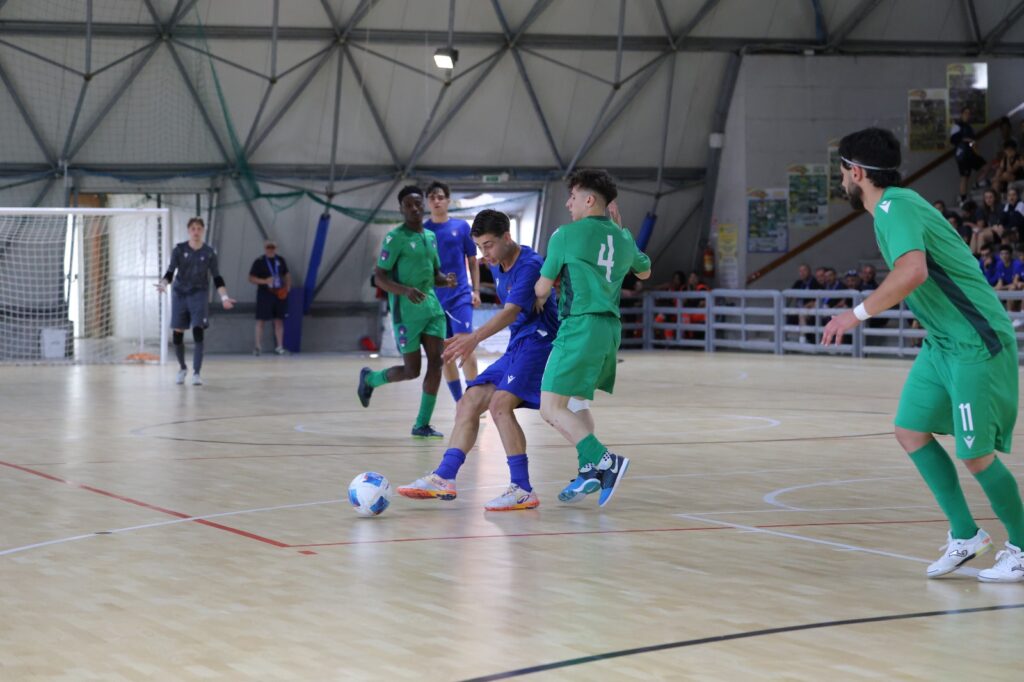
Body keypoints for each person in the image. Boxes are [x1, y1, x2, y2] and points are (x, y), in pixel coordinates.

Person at [823, 127, 1024, 582]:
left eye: (843, 172)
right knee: (910, 430)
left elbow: (912, 271)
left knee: (976, 454)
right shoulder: (891, 210)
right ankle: (965, 535)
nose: (842, 180)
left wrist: (855, 314)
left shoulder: (896, 207)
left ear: (857, 173)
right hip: (942, 342)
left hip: (974, 340)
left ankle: (1022, 546)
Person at [396, 209, 560, 510]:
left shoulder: (529, 264)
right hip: (518, 346)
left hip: (540, 344)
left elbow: (511, 312)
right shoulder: (497, 264)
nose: (485, 254)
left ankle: (523, 488)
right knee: (468, 402)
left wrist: (473, 338)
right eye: (480, 247)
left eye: (489, 245)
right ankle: (444, 477)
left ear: (507, 237)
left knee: (499, 405)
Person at [534, 169, 651, 507]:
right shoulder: (622, 236)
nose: (568, 203)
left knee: (549, 407)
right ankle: (589, 469)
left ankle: (605, 460)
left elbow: (541, 288)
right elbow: (644, 271)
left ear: (588, 200)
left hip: (579, 326)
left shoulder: (564, 235)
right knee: (576, 401)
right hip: (609, 330)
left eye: (572, 197)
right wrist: (620, 233)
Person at [357, 185, 456, 439]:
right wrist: (404, 291)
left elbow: (434, 274)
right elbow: (379, 278)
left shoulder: (430, 237)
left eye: (417, 203)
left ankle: (422, 424)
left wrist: (446, 280)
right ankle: (370, 379)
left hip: (432, 310)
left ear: (423, 205)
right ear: (401, 209)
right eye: (408, 205)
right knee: (412, 371)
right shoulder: (395, 238)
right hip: (407, 313)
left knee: (436, 363)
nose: (414, 208)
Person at [155, 217, 235, 386]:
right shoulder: (179, 250)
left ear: (203, 231)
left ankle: (197, 373)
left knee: (198, 329)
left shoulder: (209, 253)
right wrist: (163, 284)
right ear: (188, 231)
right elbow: (170, 272)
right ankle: (182, 368)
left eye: (199, 228)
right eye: (193, 229)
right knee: (178, 333)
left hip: (199, 294)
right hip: (179, 294)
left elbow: (217, 277)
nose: (196, 232)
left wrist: (224, 297)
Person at [423, 181, 481, 402]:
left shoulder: (462, 227)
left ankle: (473, 398)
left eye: (440, 197)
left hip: (460, 297)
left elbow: (473, 261)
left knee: (465, 345)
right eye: (432, 197)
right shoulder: (423, 231)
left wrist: (476, 290)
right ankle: (460, 402)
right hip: (434, 301)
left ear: (448, 200)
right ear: (427, 202)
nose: (436, 201)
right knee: (444, 353)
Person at [248, 240, 291, 355]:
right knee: (261, 320)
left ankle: (280, 346)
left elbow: (286, 274)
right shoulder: (259, 261)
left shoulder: (280, 260)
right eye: (268, 247)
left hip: (279, 294)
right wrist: (265, 281)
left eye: (272, 247)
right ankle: (257, 346)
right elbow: (251, 278)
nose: (270, 249)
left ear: (276, 248)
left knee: (279, 320)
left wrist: (288, 287)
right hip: (265, 294)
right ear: (265, 248)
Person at [950, 107, 986, 205]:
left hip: (971, 153)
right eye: (966, 113)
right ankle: (963, 198)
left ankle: (977, 183)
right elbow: (953, 140)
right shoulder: (957, 125)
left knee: (985, 166)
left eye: (969, 113)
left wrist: (973, 145)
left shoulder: (969, 127)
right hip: (962, 154)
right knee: (965, 176)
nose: (967, 115)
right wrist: (966, 140)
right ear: (962, 114)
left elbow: (973, 140)